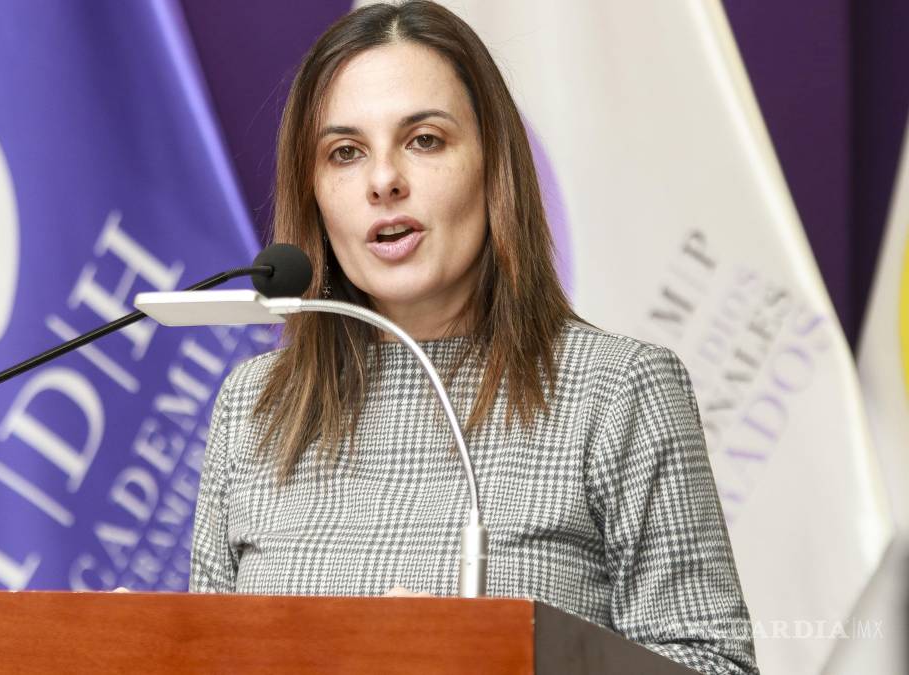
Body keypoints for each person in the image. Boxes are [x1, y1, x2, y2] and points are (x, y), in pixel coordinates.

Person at [189, 2, 758, 673]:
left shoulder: (616, 392)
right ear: (313, 193)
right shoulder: (253, 406)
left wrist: (484, 656)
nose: (383, 180)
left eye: (424, 140)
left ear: (494, 166)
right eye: (345, 153)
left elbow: (716, 663)